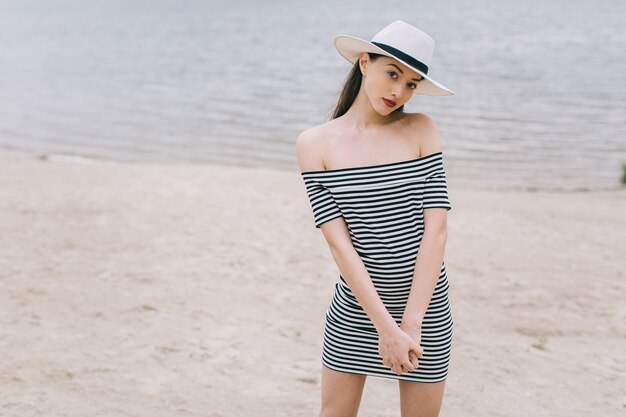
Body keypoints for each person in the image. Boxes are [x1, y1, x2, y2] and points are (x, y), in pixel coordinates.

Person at [295, 20, 455, 417]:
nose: (399, 91)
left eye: (412, 83)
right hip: (356, 312)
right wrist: (385, 327)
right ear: (365, 63)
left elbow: (435, 232)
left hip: (426, 310)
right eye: (392, 73)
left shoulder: (421, 129)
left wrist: (411, 324)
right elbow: (340, 244)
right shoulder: (314, 145)